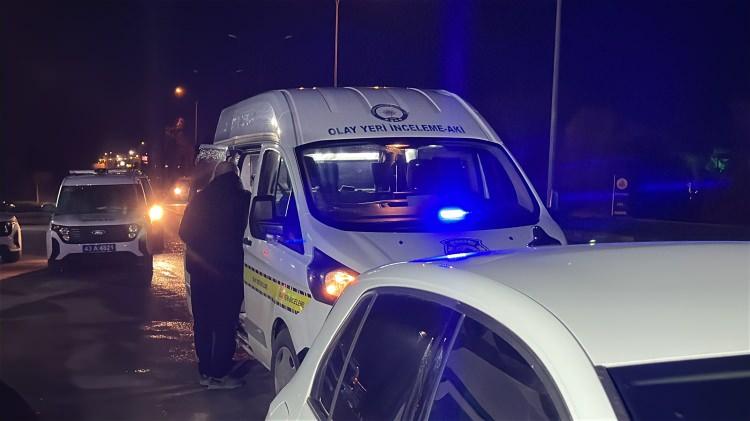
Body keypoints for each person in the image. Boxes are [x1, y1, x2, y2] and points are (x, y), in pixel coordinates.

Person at [179, 160, 250, 389]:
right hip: (228, 272)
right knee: (225, 323)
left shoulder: (199, 199)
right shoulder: (243, 199)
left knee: (203, 322)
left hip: (201, 272)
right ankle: (220, 374)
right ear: (236, 176)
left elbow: (184, 232)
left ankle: (205, 372)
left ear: (215, 176)